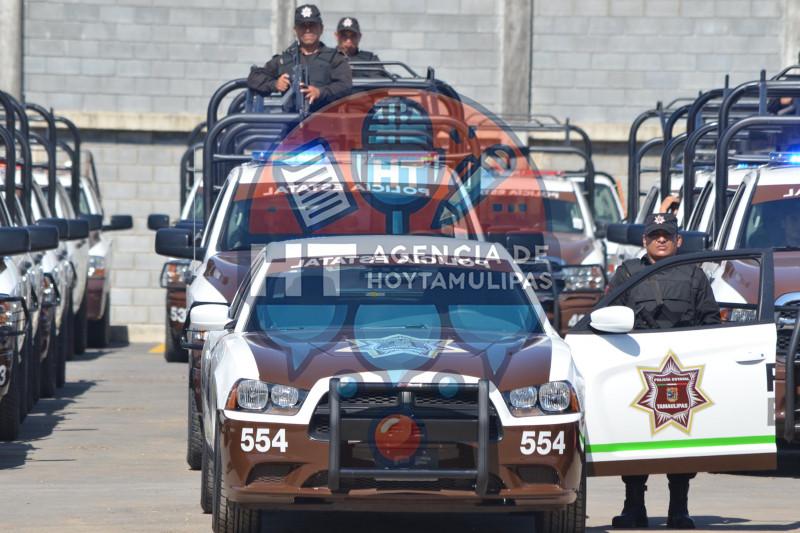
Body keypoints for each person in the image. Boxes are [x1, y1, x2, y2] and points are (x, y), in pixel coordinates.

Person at [605, 212, 720, 529]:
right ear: (644, 240)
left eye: (666, 235)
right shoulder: (628, 272)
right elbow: (606, 315)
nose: (660, 240)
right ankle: (633, 508)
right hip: (635, 369)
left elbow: (711, 322)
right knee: (635, 440)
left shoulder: (695, 275)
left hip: (682, 371)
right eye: (655, 235)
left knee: (680, 441)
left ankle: (679, 510)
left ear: (678, 240)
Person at [247, 4, 352, 110]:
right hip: (291, 122)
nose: (308, 30)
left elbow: (345, 86)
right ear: (295, 30)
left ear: (321, 28)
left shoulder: (334, 58)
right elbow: (254, 78)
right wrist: (275, 84)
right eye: (303, 26)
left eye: (312, 25)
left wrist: (320, 92)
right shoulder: (285, 59)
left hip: (324, 120)